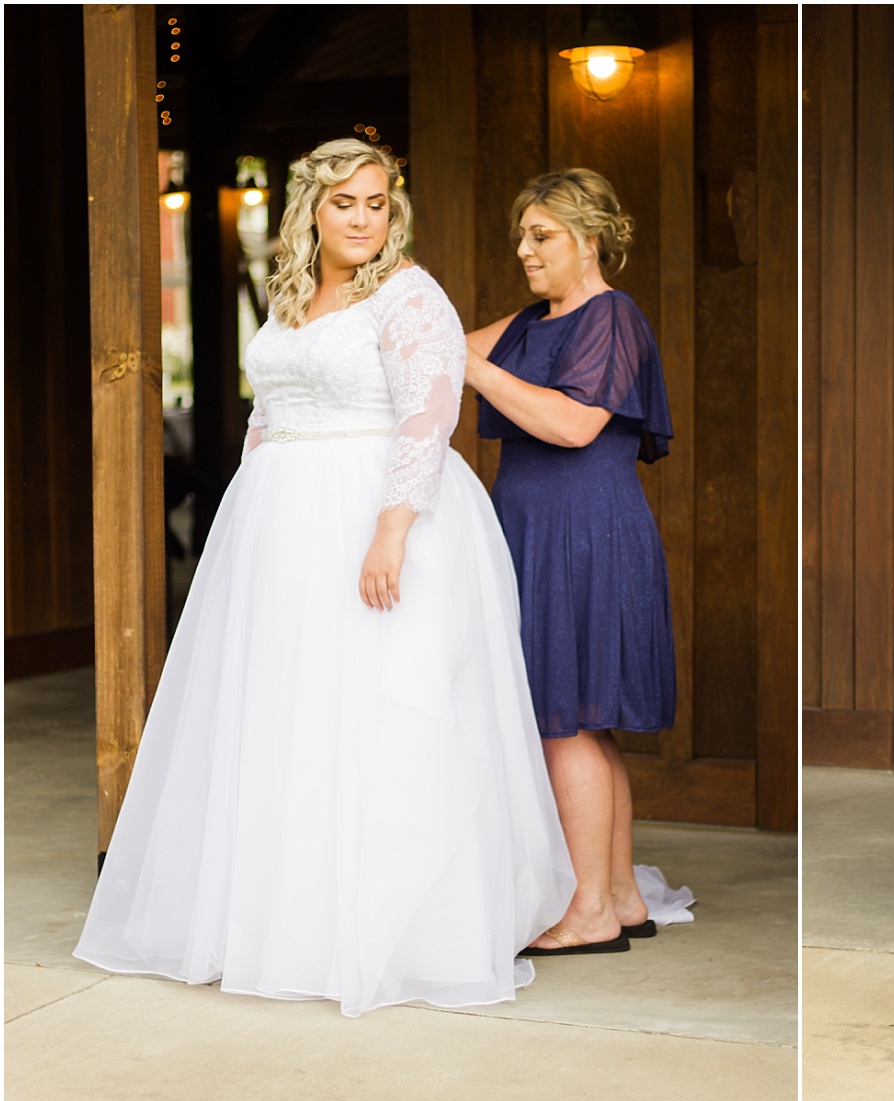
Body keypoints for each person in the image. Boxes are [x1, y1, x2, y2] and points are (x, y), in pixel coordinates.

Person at [74, 139, 576, 1017]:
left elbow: (429, 410)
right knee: (288, 712)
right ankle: (281, 916)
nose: (361, 218)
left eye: (377, 203)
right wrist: (249, 522)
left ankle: (395, 925)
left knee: (384, 707)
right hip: (281, 518)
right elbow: (269, 409)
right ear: (311, 207)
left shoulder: (407, 292)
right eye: (344, 201)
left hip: (377, 507)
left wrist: (391, 529)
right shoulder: (290, 296)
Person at [465, 169, 683, 956]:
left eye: (541, 235)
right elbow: (443, 348)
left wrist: (479, 373)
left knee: (566, 720)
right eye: (521, 235)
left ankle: (588, 909)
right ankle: (619, 896)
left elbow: (571, 425)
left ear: (588, 242)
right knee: (581, 721)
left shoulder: (611, 316)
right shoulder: (533, 321)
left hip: (581, 531)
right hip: (539, 527)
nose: (524, 250)